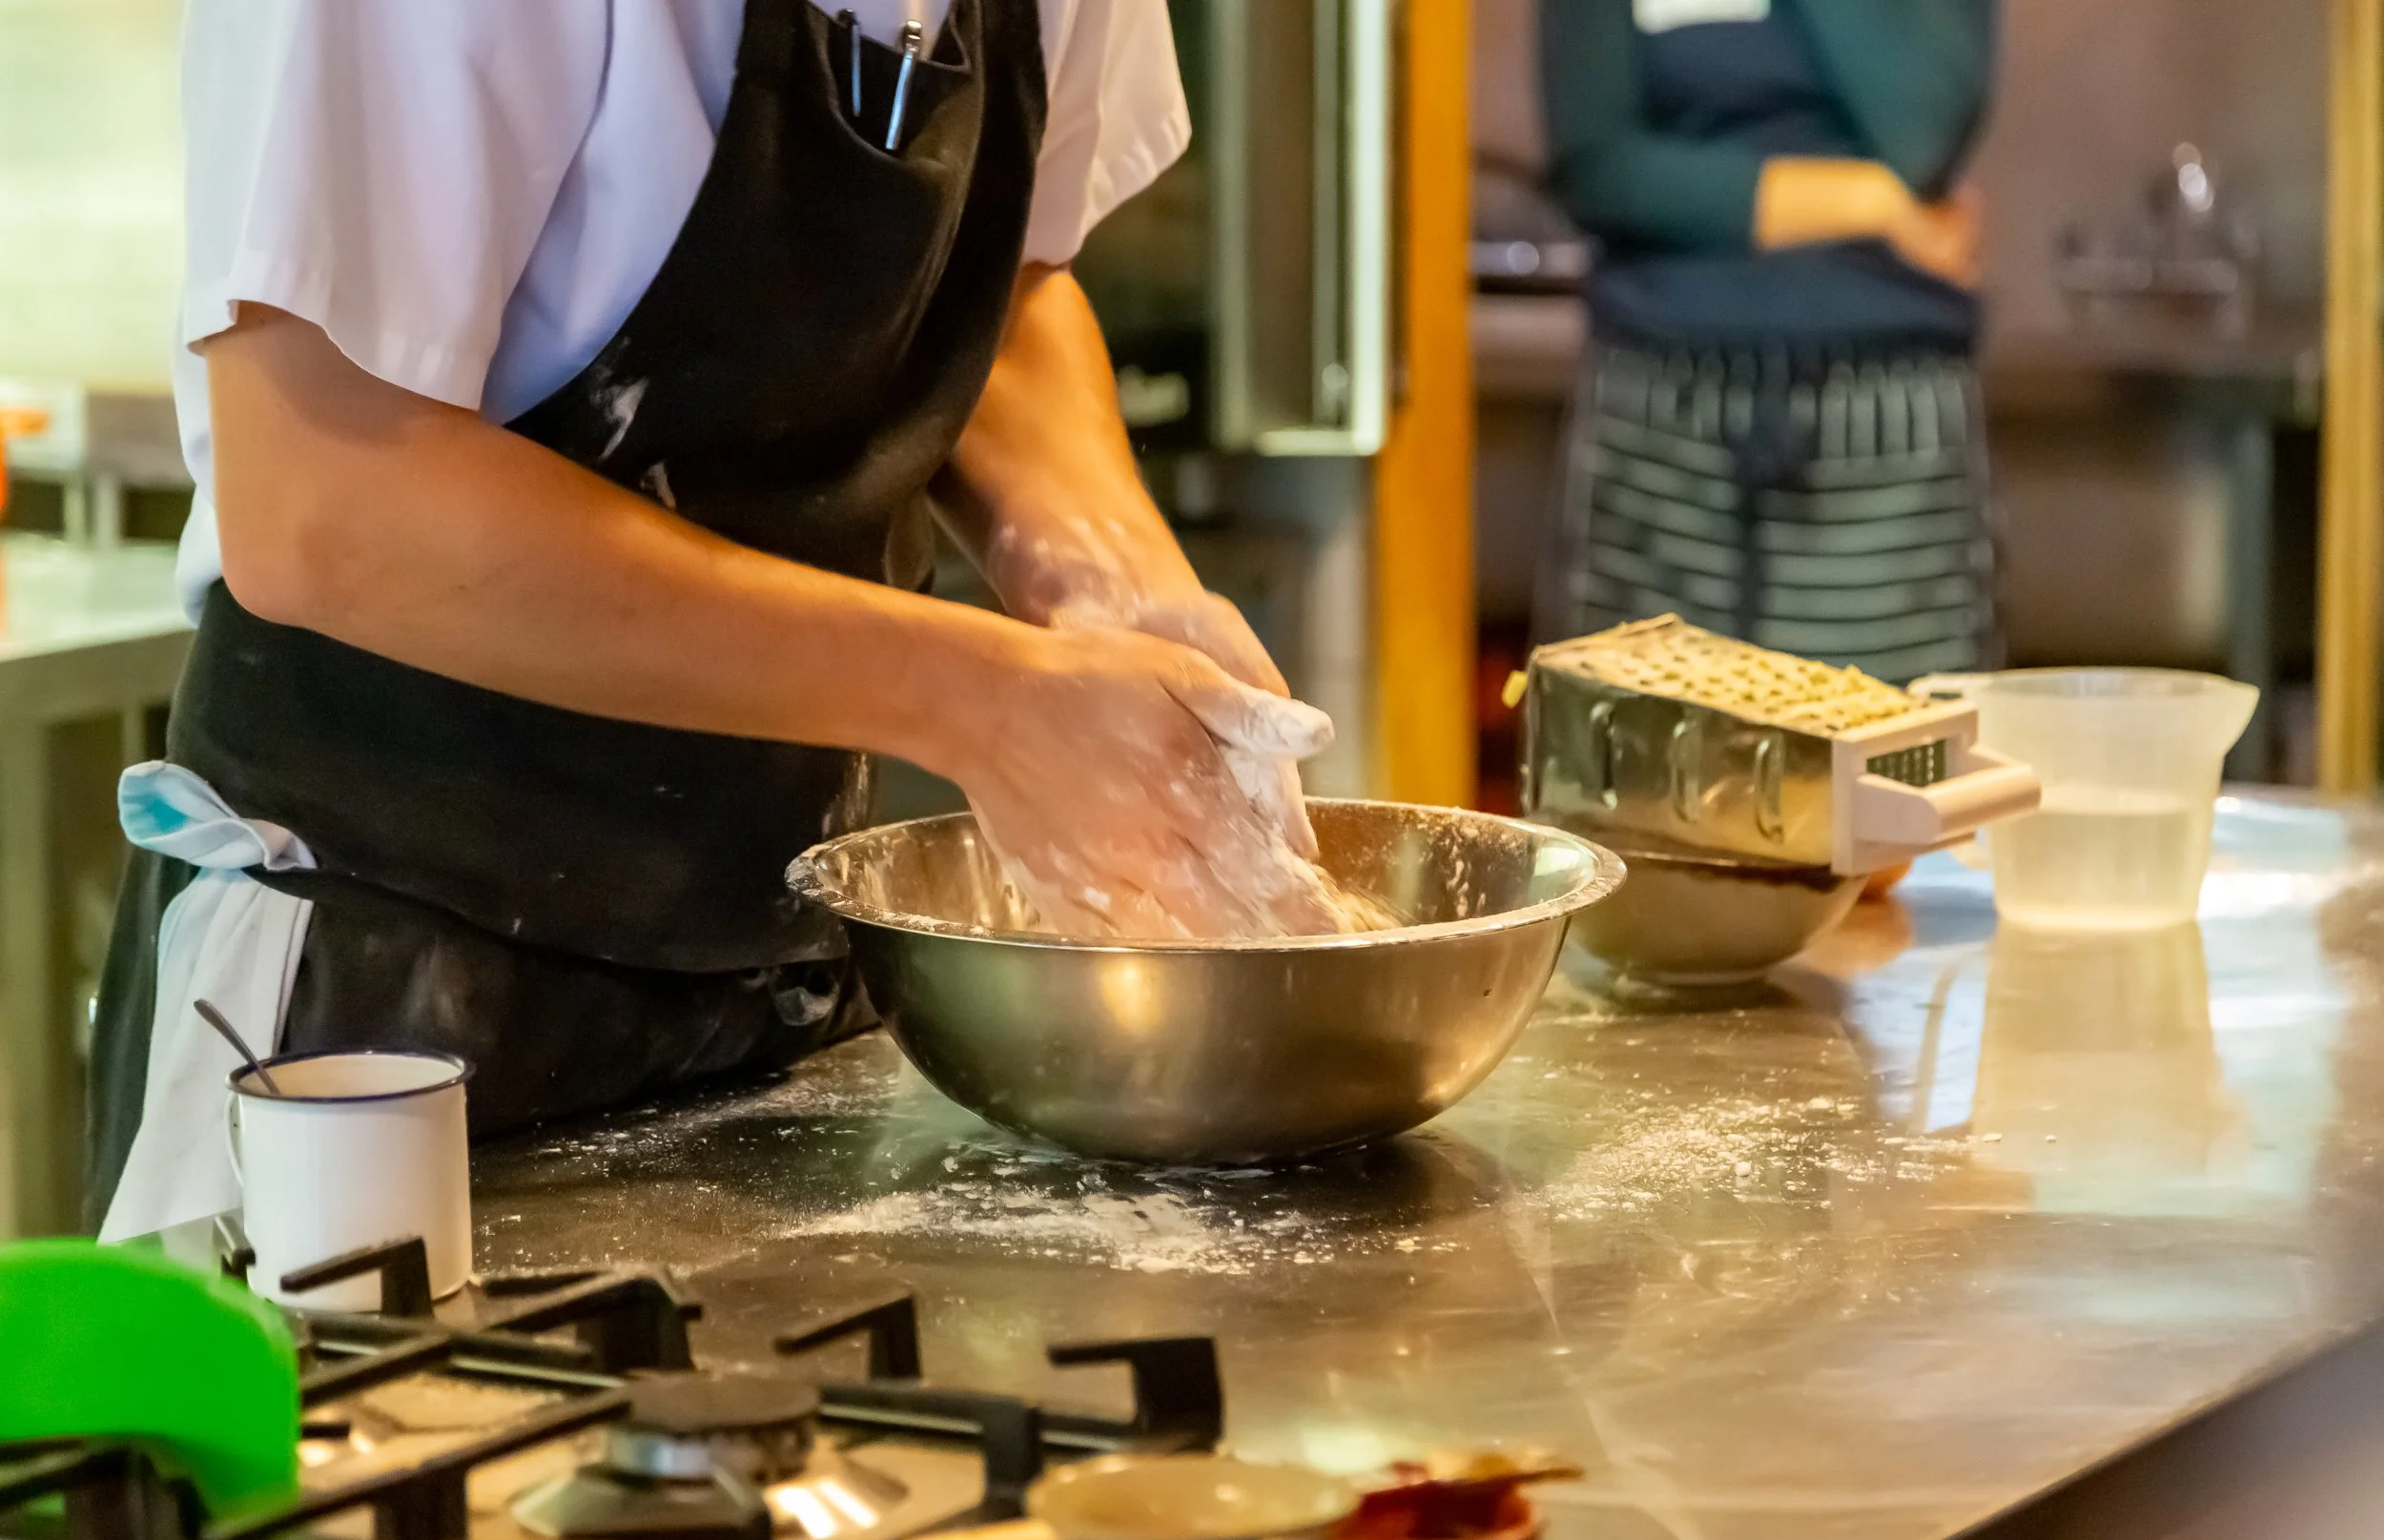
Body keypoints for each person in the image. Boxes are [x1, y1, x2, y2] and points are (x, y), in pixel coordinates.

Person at [91, 0, 1332, 1237]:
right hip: (372, 997)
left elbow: (999, 290)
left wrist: (1104, 580)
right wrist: (977, 698)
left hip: (773, 976)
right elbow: (324, 501)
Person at [1536, 0, 2001, 683]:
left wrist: (1859, 195)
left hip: (1886, 439)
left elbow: (1920, 130)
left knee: (1897, 766)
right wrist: (1864, 202)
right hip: (1659, 422)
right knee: (1634, 762)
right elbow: (1599, 167)